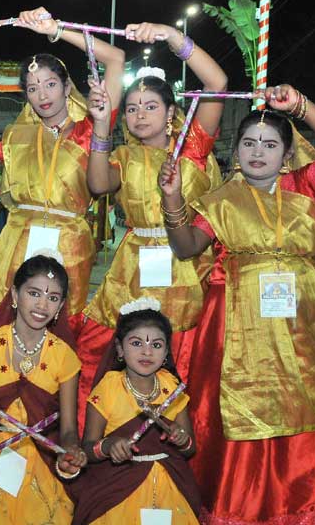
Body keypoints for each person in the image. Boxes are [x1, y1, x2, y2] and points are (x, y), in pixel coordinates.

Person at [159, 86, 315, 524]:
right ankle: (233, 508)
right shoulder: (222, 200)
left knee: (297, 416)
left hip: (298, 331)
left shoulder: (304, 186)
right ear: (236, 152)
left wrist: (301, 105)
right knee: (232, 420)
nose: (258, 151)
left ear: (287, 152)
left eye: (270, 144)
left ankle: (293, 509)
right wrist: (170, 199)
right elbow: (186, 247)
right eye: (249, 143)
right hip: (233, 328)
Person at [79, 22, 227, 403]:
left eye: (150, 107)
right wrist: (100, 124)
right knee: (112, 356)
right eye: (131, 108)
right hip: (133, 267)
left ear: (171, 113)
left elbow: (217, 84)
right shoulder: (123, 156)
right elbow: (97, 184)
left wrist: (172, 37)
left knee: (179, 362)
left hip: (188, 266)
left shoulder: (192, 148)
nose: (140, 115)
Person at [0, 7, 125, 331]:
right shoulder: (18, 138)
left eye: (49, 84)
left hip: (69, 247)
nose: (42, 95)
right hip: (15, 246)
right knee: (7, 339)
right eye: (32, 88)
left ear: (66, 86)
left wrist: (55, 30)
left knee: (57, 342)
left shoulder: (90, 130)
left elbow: (115, 58)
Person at [0, 253, 86, 524]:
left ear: (61, 305)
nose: (42, 304)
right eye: (34, 293)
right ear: (15, 295)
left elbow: (69, 429)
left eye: (52, 298)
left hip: (44, 454)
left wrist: (72, 452)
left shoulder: (65, 357)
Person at [73, 299, 199, 524]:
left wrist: (182, 439)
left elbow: (190, 449)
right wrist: (109, 446)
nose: (147, 352)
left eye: (156, 345)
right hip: (117, 487)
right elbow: (88, 449)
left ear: (167, 352)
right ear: (120, 349)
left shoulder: (171, 386)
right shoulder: (109, 387)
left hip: (171, 485)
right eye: (136, 343)